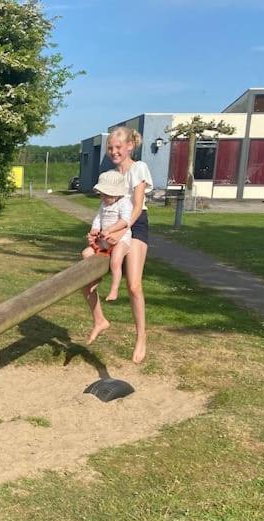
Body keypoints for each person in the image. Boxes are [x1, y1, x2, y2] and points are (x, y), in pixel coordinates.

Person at [83, 126, 153, 363]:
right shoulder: (111, 176)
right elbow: (103, 210)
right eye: (110, 148)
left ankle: (141, 335)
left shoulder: (138, 168)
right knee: (85, 275)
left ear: (130, 146)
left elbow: (135, 206)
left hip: (135, 223)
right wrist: (97, 233)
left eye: (118, 147)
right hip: (113, 227)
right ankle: (99, 319)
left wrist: (120, 230)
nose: (113, 151)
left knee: (134, 285)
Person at [82, 170, 132, 302]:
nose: (103, 198)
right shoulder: (104, 204)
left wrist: (110, 229)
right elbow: (99, 218)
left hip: (121, 239)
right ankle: (95, 277)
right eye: (102, 195)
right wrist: (95, 229)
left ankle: (114, 289)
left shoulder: (124, 203)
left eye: (107, 195)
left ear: (117, 193)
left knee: (115, 261)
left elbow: (125, 221)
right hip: (105, 239)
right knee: (86, 253)